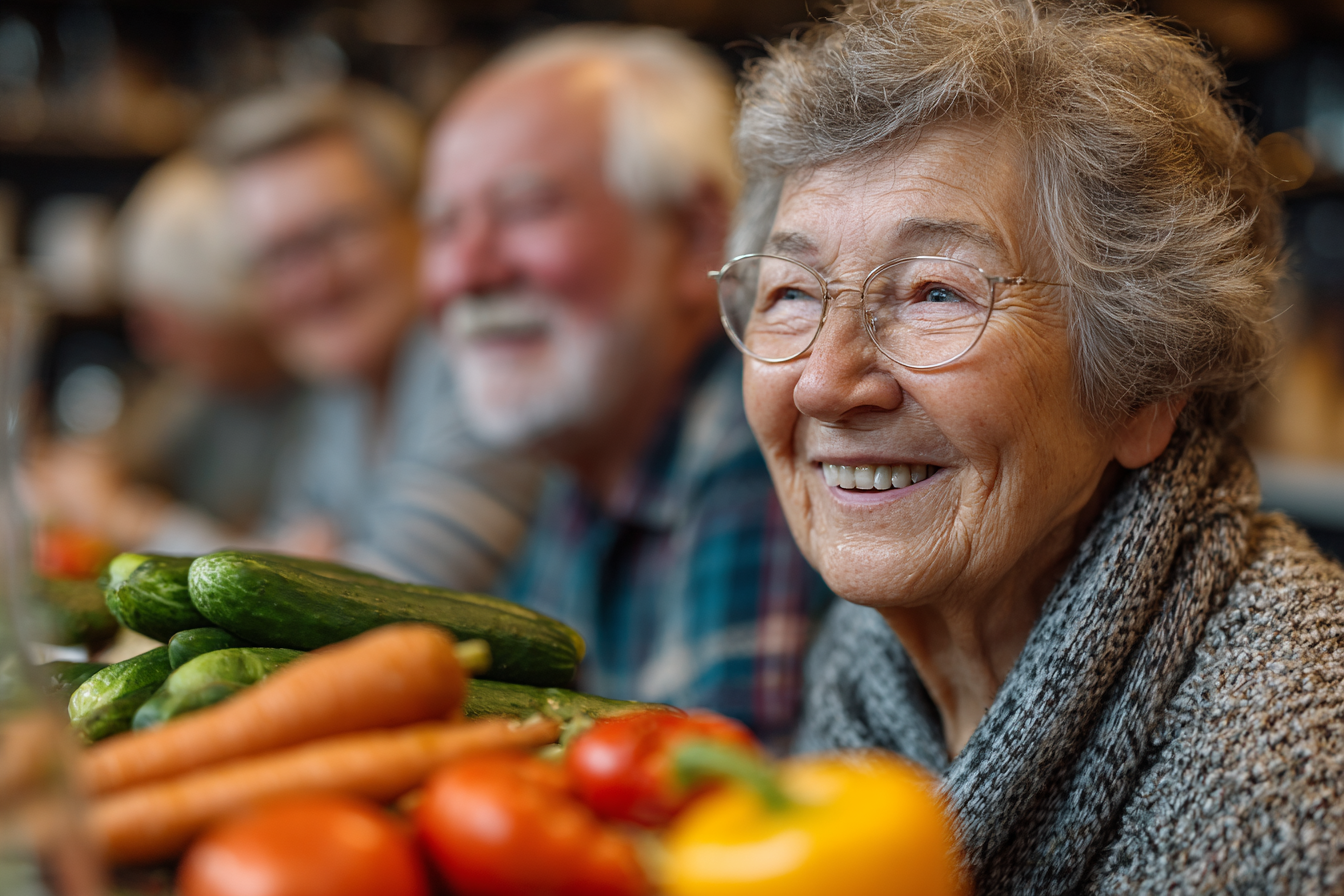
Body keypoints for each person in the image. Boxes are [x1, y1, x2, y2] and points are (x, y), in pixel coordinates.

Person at [728, 0, 1344, 892]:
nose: (825, 381)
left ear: (1143, 388)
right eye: (790, 292)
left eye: (935, 292)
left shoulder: (1294, 761)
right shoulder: (862, 672)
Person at [420, 26, 832, 743]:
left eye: (526, 207)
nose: (465, 272)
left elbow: (718, 803)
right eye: (443, 226)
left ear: (698, 237)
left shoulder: (754, 438)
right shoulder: (591, 462)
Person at [201, 83, 540, 588]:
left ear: (422, 217)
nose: (312, 282)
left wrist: (312, 575)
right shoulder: (343, 395)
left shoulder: (482, 357)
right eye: (274, 257)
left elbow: (397, 597)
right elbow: (284, 567)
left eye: (333, 233)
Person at [25, 152, 296, 555]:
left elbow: (289, 576)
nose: (146, 342)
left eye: (159, 317)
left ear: (220, 310)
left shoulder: (324, 399)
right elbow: (115, 463)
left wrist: (131, 517)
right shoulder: (198, 390)